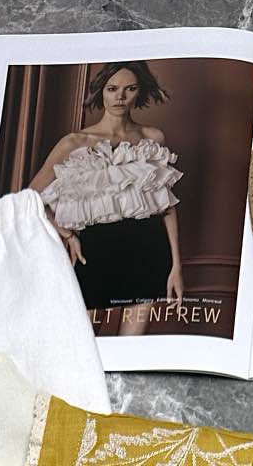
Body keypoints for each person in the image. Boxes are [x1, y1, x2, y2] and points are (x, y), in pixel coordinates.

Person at [32, 61, 185, 318]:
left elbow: (167, 206)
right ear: (101, 91)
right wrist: (67, 234)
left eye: (130, 89)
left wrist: (177, 266)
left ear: (140, 91)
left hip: (149, 252)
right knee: (88, 340)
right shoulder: (74, 143)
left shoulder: (153, 138)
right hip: (93, 254)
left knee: (134, 342)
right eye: (112, 89)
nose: (120, 97)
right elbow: (29, 198)